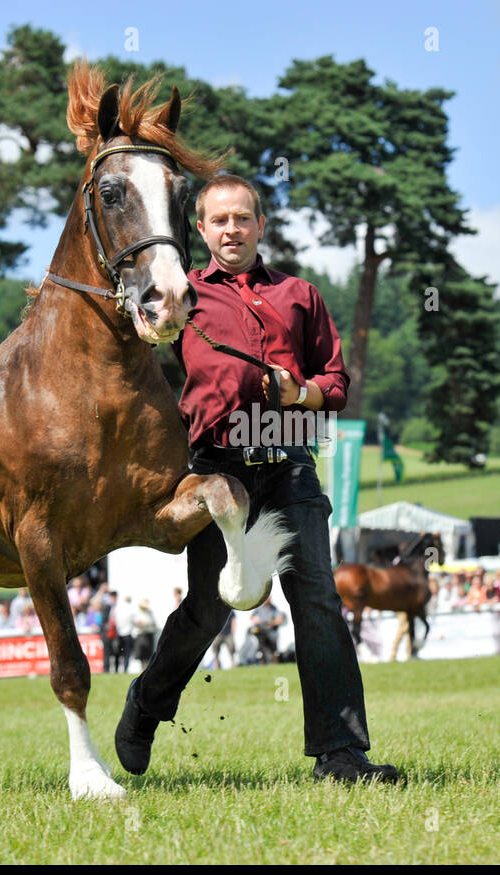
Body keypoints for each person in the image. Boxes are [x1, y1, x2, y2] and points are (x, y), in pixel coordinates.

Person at [114, 172, 398, 783]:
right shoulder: (179, 293)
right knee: (209, 613)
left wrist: (305, 393)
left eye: (242, 218)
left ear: (261, 225)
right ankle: (146, 706)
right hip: (217, 477)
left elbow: (338, 385)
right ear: (200, 229)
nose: (231, 229)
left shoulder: (301, 295)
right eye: (219, 220)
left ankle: (341, 755)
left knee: (317, 599)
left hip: (290, 465)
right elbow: (126, 343)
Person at [247, 596, 285, 664]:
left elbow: (280, 619)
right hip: (261, 631)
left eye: (269, 599)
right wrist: (258, 621)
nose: (268, 600)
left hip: (271, 631)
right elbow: (251, 617)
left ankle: (275, 663)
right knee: (262, 648)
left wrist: (273, 623)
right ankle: (263, 663)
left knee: (273, 649)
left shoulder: (274, 608)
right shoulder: (259, 607)